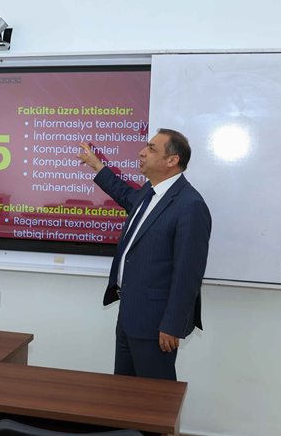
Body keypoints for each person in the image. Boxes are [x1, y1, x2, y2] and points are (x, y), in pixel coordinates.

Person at [77, 129, 211, 380]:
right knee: (124, 392)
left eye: (151, 148)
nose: (142, 152)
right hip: (129, 315)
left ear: (172, 160)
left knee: (155, 396)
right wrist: (96, 165)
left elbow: (188, 274)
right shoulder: (149, 193)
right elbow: (124, 193)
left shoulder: (190, 206)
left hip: (157, 325)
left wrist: (173, 325)